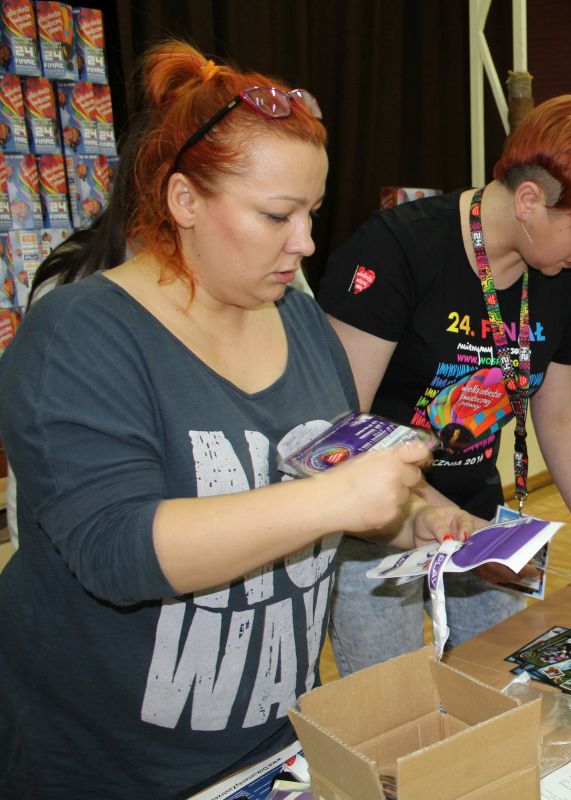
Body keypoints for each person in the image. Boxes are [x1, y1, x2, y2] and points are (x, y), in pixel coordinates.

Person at [0, 42, 471, 798]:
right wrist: (338, 499)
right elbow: (117, 550)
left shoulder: (302, 323)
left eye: (311, 214)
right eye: (277, 215)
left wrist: (414, 519)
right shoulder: (80, 335)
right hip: (106, 770)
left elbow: (329, 477)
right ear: (184, 201)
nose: (305, 243)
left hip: (270, 752)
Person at [318, 93, 571, 676]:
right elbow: (344, 431)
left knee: (500, 688)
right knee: (393, 706)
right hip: (375, 533)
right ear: (529, 201)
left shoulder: (562, 278)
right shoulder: (399, 249)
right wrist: (448, 520)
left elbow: (559, 416)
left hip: (479, 520)